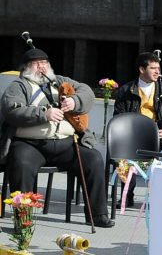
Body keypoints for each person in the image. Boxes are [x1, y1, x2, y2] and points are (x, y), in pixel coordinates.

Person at [1, 48, 114, 228]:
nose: (42, 67)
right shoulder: (18, 86)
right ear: (26, 67)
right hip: (31, 145)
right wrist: (43, 114)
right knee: (21, 164)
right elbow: (11, 111)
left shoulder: (60, 81)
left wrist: (75, 101)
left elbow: (87, 91)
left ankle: (98, 214)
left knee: (94, 159)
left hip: (66, 143)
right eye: (37, 64)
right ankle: (23, 219)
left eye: (45, 63)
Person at [113, 52, 162, 208]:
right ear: (141, 69)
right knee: (124, 159)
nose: (157, 72)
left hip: (161, 137)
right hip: (135, 138)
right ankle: (127, 196)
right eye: (153, 68)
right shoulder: (126, 91)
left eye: (158, 68)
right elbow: (118, 118)